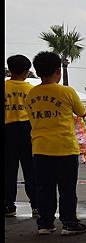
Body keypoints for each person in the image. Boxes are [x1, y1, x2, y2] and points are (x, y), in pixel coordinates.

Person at [26, 52, 86, 235]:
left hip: (40, 148)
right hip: (65, 148)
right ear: (58, 71)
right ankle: (69, 223)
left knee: (44, 188)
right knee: (67, 188)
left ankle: (45, 224)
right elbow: (81, 111)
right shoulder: (66, 92)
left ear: (37, 72)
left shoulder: (31, 94)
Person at [5, 54, 37, 218]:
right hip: (27, 130)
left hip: (7, 130)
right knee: (31, 169)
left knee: (8, 170)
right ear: (26, 71)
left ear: (10, 69)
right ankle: (36, 205)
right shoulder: (31, 89)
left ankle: (8, 205)